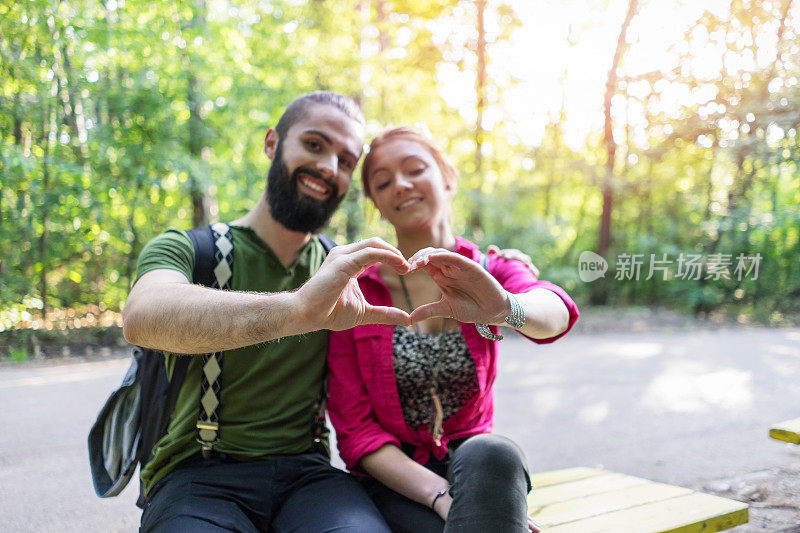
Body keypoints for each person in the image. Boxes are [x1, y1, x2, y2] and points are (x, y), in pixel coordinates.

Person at [123, 91, 413, 532]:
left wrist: (505, 269)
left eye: (346, 161)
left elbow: (431, 279)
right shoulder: (187, 247)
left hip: (310, 477)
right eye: (314, 145)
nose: (328, 168)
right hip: (198, 475)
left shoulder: (348, 269)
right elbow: (142, 315)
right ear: (272, 143)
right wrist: (297, 308)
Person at [327, 127, 580, 533]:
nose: (402, 185)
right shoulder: (356, 293)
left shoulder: (489, 270)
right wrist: (442, 497)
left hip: (477, 468)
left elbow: (556, 312)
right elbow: (356, 432)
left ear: (447, 176)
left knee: (495, 453)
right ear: (376, 202)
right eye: (384, 182)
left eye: (415, 168)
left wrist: (504, 307)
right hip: (394, 481)